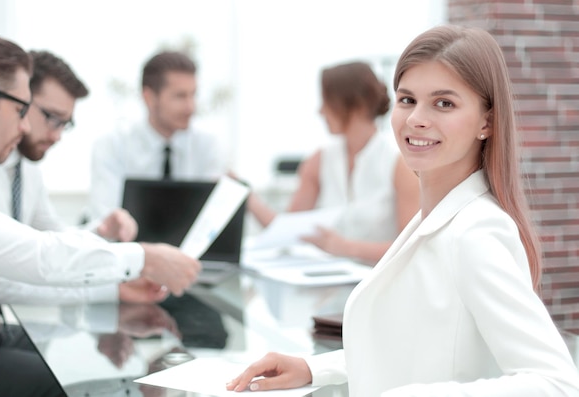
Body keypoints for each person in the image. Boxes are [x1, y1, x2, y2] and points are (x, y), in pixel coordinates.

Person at [226, 25, 579, 396]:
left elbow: (555, 383)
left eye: (444, 103)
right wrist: (313, 368)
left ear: (486, 122)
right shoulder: (434, 220)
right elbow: (415, 346)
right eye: (407, 100)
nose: (416, 119)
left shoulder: (476, 232)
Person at [0, 31, 201, 396]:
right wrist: (142, 258)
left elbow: (46, 240)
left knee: (88, 368)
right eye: (23, 110)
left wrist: (101, 236)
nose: (25, 127)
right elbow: (30, 257)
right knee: (65, 381)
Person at [0, 50, 159, 332]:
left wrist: (101, 232)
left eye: (65, 123)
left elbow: (50, 239)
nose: (57, 135)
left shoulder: (27, 171)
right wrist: (133, 267)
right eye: (52, 118)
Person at [247, 61, 419, 265]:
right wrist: (248, 198)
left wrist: (345, 247)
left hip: (379, 286)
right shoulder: (319, 160)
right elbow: (287, 231)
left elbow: (410, 249)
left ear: (354, 105)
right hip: (328, 285)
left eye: (327, 101)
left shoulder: (399, 164)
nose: (320, 112)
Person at [87, 50, 227, 221]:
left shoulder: (207, 146)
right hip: (127, 246)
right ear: (149, 98)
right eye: (180, 96)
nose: (190, 107)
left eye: (193, 95)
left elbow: (211, 220)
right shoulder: (112, 146)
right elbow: (105, 219)